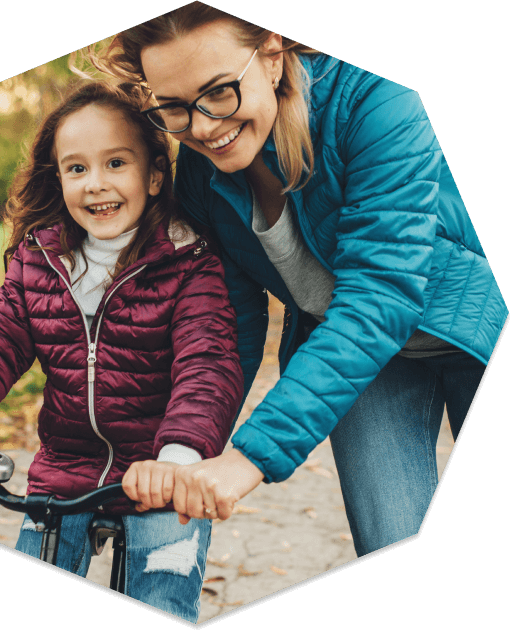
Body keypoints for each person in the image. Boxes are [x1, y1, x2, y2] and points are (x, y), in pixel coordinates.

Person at [86, 3, 509, 558]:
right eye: (175, 108)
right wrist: (178, 452)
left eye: (219, 92)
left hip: (472, 326)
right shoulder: (199, 178)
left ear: (272, 50)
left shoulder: (376, 99)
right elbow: (226, 331)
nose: (205, 127)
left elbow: (379, 294)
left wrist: (249, 458)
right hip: (364, 367)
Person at [0, 79, 243, 623]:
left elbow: (208, 366)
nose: (95, 184)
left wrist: (178, 459)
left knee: (163, 596)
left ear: (153, 174)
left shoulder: (189, 261)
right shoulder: (41, 262)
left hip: (162, 473)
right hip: (64, 470)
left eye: (115, 163)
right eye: (77, 169)